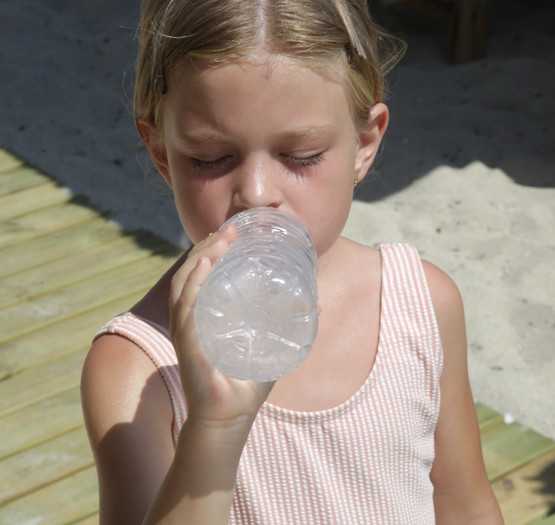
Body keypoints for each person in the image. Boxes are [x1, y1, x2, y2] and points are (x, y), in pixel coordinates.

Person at [81, 0, 504, 523]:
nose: (256, 194)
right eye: (211, 159)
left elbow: (465, 505)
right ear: (162, 153)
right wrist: (214, 429)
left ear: (364, 143)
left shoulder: (420, 305)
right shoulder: (136, 369)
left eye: (300, 155)